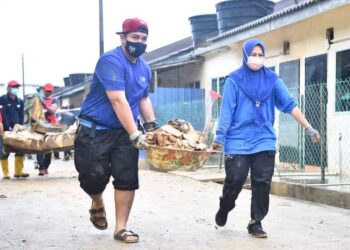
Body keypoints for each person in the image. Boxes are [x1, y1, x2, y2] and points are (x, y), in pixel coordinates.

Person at [211, 38, 321, 238]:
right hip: (238, 140)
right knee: (235, 179)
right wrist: (220, 137)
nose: (257, 58)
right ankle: (226, 205)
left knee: (262, 182)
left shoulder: (272, 80)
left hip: (264, 139)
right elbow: (227, 111)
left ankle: (256, 222)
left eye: (261, 54)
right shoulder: (233, 80)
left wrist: (309, 127)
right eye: (253, 54)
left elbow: (290, 104)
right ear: (245, 56)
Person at [74, 17, 158, 244]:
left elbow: (143, 99)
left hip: (123, 133)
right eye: (134, 37)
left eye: (143, 38)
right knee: (93, 177)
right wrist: (135, 133)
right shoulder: (110, 61)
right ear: (122, 38)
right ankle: (97, 201)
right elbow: (117, 100)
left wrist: (152, 127)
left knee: (127, 178)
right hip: (95, 129)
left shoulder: (144, 68)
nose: (139, 42)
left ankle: (121, 228)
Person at [0, 80, 29, 179]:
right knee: (5, 150)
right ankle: (6, 173)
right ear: (8, 88)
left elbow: (21, 115)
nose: (16, 89)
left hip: (17, 129)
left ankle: (18, 171)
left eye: (17, 87)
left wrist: (20, 127)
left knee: (20, 149)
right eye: (14, 87)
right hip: (5, 129)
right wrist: (8, 127)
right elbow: (2, 114)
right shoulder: (2, 99)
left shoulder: (20, 101)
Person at [36, 83, 58, 176]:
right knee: (39, 146)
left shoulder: (54, 100)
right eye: (47, 91)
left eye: (50, 91)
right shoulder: (37, 99)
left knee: (49, 147)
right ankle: (41, 167)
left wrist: (45, 104)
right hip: (39, 125)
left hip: (51, 126)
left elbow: (53, 111)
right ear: (43, 90)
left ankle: (46, 166)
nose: (48, 93)